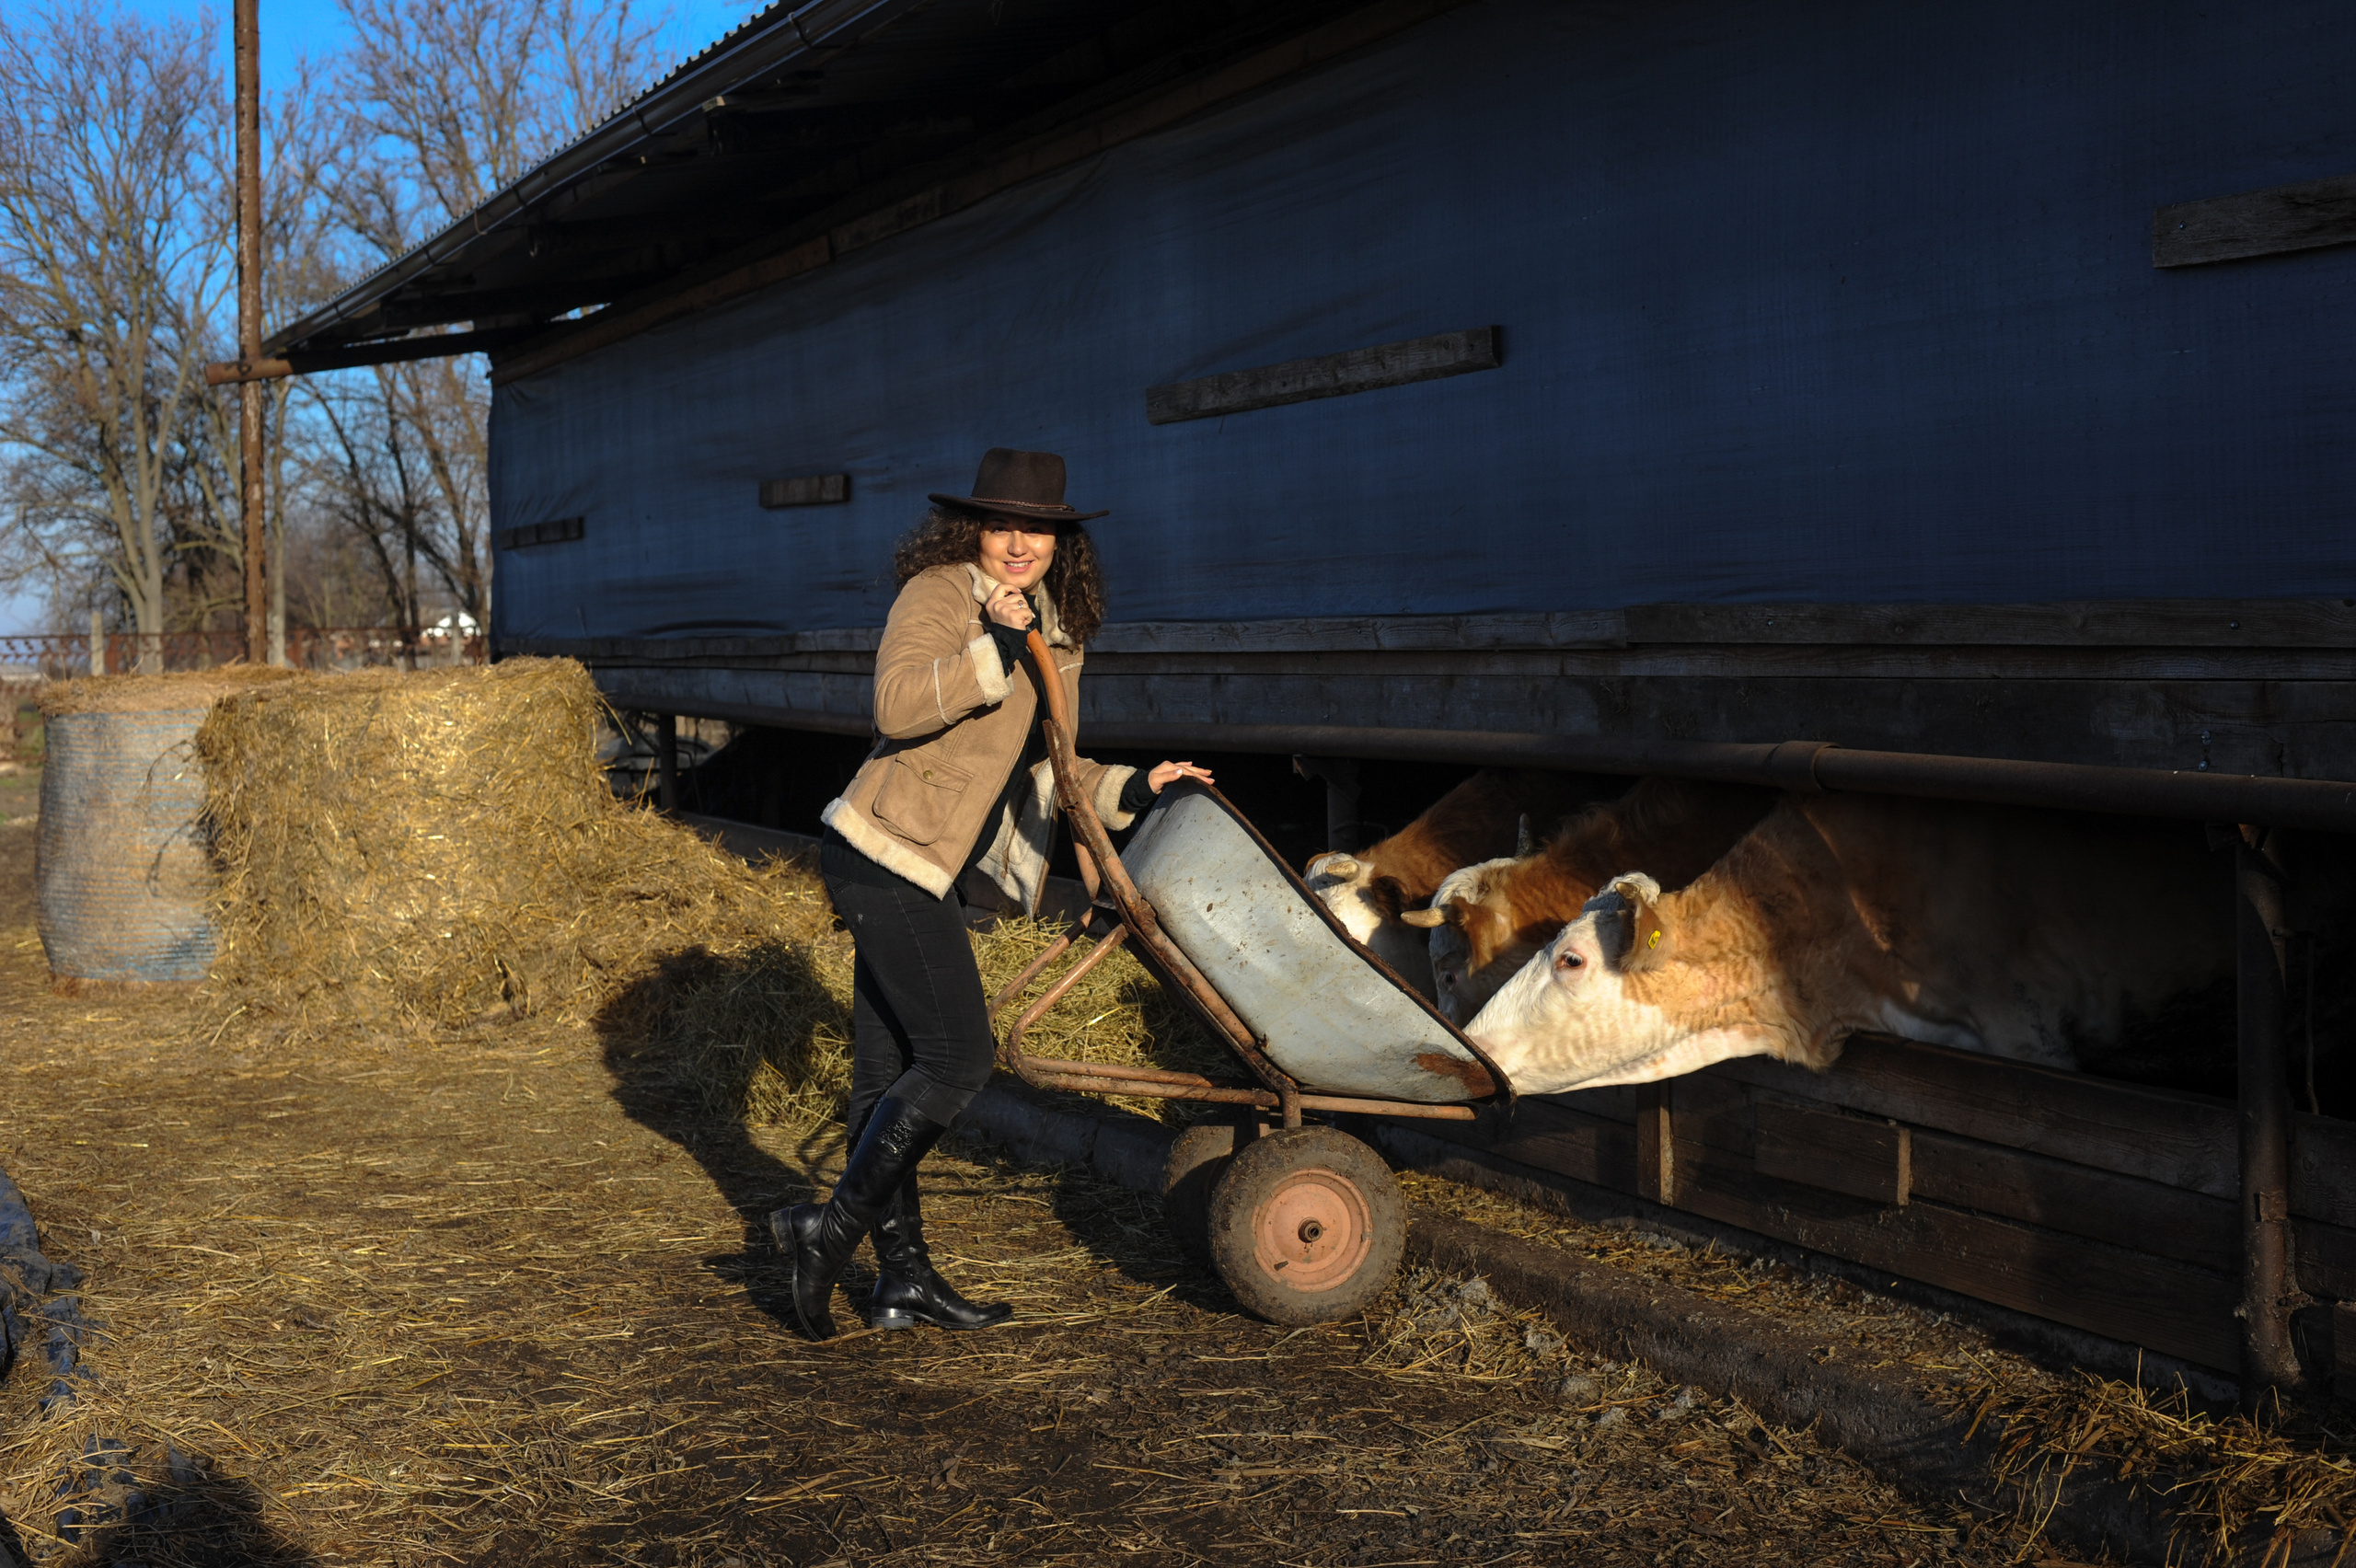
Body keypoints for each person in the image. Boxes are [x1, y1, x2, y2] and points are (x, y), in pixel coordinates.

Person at [772, 448, 1213, 1342]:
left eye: (1039, 529)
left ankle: (900, 1283)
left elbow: (1056, 766)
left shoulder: (1057, 633)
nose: (1020, 544)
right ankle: (827, 1231)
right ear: (972, 528)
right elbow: (896, 707)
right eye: (1004, 525)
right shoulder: (940, 596)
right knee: (960, 1059)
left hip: (927, 867)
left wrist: (1138, 784)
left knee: (885, 1077)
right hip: (880, 853)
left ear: (1062, 540)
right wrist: (992, 649)